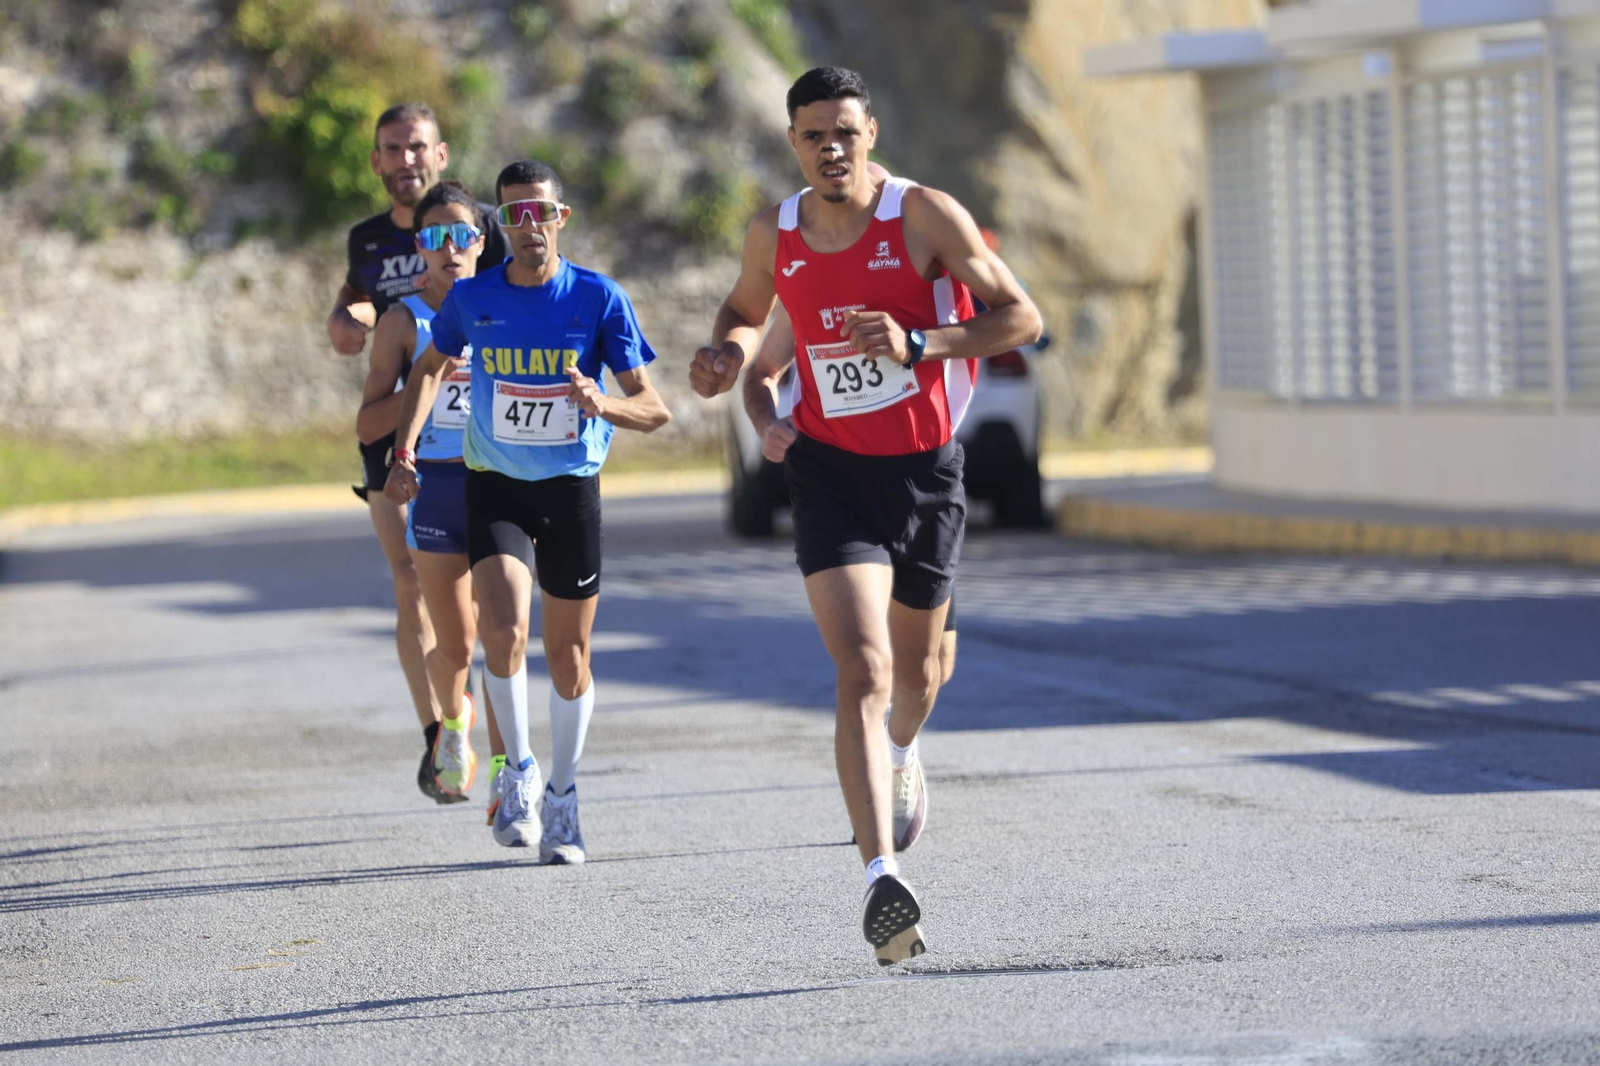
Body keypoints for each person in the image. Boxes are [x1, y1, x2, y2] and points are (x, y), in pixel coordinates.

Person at [688, 67, 1041, 964]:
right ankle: (881, 873)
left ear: (870, 132)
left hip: (926, 473)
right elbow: (745, 317)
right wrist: (739, 381)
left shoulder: (923, 215)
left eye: (844, 132)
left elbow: (1020, 316)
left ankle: (903, 751)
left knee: (919, 679)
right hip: (830, 472)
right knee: (863, 667)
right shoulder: (776, 232)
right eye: (813, 136)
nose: (830, 149)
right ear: (794, 143)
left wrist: (923, 341)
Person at [390, 159, 670, 863]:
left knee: (570, 655)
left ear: (560, 217)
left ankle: (564, 795)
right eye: (512, 213)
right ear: (500, 222)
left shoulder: (599, 299)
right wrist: (406, 450)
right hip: (497, 484)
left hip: (570, 488)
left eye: (538, 212)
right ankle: (517, 772)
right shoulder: (473, 298)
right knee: (505, 628)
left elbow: (654, 407)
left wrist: (599, 402)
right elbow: (428, 367)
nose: (526, 226)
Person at [332, 102, 509, 802]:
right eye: (392, 149)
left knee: (493, 610)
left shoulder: (477, 227)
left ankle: (495, 749)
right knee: (411, 583)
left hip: (478, 439)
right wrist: (349, 317)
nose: (405, 160)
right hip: (402, 429)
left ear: (440, 156)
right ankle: (441, 733)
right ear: (376, 161)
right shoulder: (369, 240)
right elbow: (358, 301)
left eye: (417, 148)